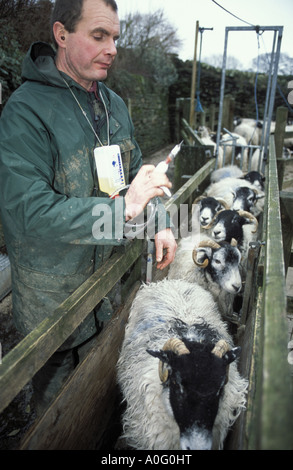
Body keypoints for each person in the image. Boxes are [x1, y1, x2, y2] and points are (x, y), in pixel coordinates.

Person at [0, 0, 177, 414]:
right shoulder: (25, 111)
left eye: (115, 37)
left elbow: (136, 174)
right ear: (62, 34)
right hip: (53, 308)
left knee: (102, 404)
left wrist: (161, 222)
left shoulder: (114, 104)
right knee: (57, 418)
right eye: (99, 36)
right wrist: (125, 212)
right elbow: (28, 210)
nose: (112, 48)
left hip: (107, 295)